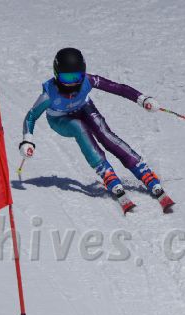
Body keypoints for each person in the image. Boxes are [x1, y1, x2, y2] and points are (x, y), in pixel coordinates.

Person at [19, 47, 174, 213]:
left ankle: (141, 168)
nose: (72, 83)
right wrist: (27, 140)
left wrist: (142, 99)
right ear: (56, 75)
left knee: (104, 133)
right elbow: (31, 116)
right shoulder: (49, 94)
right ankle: (105, 171)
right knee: (79, 128)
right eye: (66, 78)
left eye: (76, 77)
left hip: (83, 107)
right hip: (60, 119)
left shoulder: (89, 80)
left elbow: (118, 88)